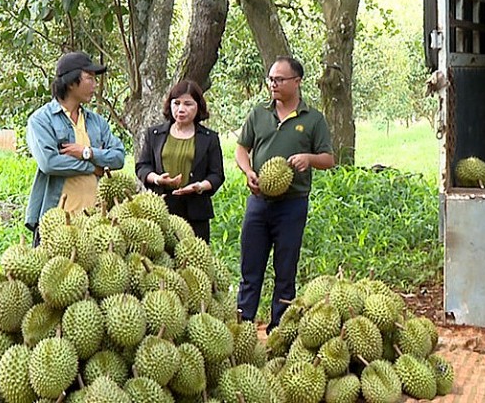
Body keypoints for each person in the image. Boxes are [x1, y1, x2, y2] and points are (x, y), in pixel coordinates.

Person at [235, 56, 335, 332]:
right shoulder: (259, 113)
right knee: (250, 269)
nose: (273, 84)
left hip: (292, 205)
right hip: (258, 202)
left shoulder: (313, 119)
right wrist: (248, 172)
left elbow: (329, 159)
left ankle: (280, 329)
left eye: (279, 79)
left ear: (297, 82)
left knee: (285, 269)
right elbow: (241, 149)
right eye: (270, 79)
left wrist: (308, 158)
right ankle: (243, 324)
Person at [25, 51, 126, 245]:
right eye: (90, 78)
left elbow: (119, 157)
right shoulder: (41, 120)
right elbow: (50, 162)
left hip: (95, 221)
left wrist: (86, 152)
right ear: (71, 83)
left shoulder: (96, 122)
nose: (95, 85)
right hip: (57, 221)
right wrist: (93, 167)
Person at [135, 80, 225, 243]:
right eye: (176, 103)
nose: (181, 109)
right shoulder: (154, 134)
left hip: (195, 212)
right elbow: (142, 166)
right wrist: (156, 178)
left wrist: (198, 187)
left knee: (193, 262)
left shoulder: (209, 138)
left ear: (198, 107)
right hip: (160, 209)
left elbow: (217, 175)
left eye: (188, 104)